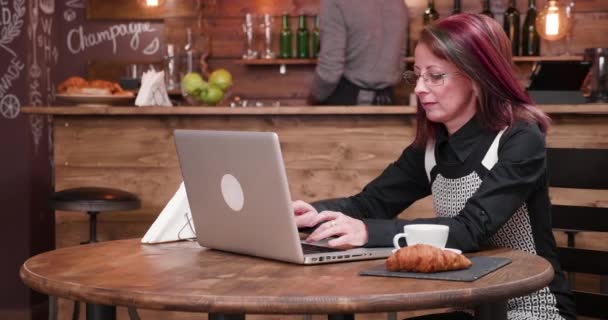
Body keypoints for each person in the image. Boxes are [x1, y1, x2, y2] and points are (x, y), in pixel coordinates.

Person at [293, 13, 575, 320]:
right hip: (469, 306)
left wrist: (366, 232)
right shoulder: (432, 146)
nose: (420, 89)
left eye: (435, 76)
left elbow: (469, 230)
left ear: (478, 77)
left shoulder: (520, 138)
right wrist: (312, 214)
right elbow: (370, 203)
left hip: (531, 307)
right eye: (417, 76)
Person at [309, 0, 408, 105]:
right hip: (387, 99)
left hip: (346, 101)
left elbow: (330, 71)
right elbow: (400, 61)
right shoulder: (399, 3)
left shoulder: (335, 2)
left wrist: (314, 98)